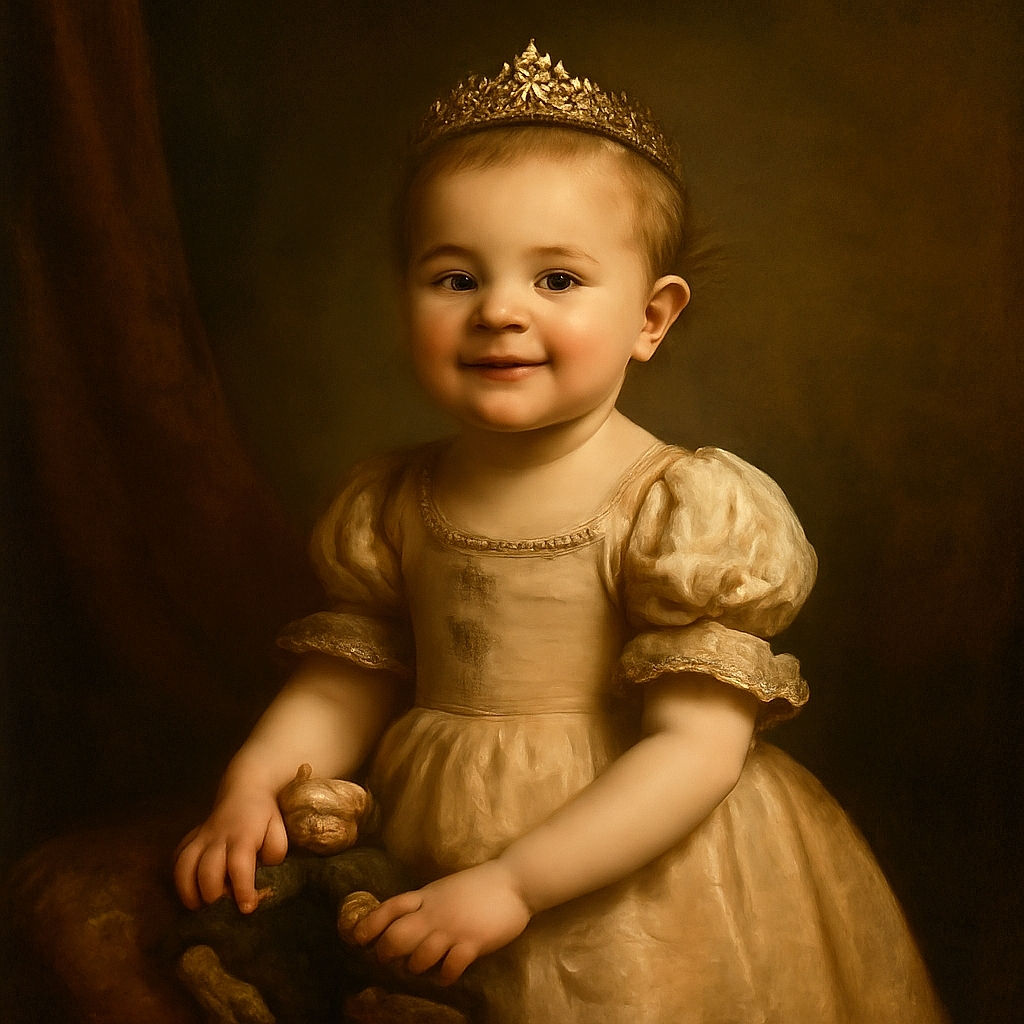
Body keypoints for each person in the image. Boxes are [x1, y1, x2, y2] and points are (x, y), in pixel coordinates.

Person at [174, 42, 947, 1023]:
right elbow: (348, 679)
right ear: (403, 295)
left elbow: (697, 751)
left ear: (651, 317)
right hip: (433, 833)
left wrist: (518, 883)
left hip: (647, 869)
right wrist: (252, 787)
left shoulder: (681, 507)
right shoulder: (393, 499)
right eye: (454, 278)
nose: (499, 310)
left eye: (557, 280)